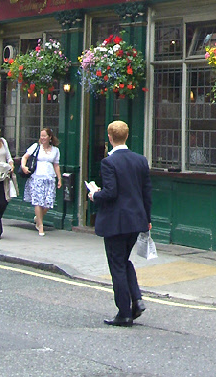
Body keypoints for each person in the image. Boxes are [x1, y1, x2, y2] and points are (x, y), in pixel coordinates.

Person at [87, 120, 152, 327]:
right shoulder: (140, 160)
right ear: (126, 136)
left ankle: (124, 313)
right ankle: (137, 300)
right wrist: (147, 219)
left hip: (116, 222)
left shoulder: (108, 162)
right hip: (136, 221)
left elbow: (111, 192)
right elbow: (146, 193)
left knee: (117, 265)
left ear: (110, 137)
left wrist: (94, 195)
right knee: (124, 261)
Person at [20, 128, 62, 237]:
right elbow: (25, 157)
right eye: (41, 136)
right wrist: (23, 166)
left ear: (50, 137)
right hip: (37, 177)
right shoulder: (36, 147)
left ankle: (38, 218)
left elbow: (56, 165)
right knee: (38, 201)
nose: (42, 138)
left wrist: (59, 178)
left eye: (44, 136)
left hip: (49, 178)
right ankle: (41, 226)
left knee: (48, 202)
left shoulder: (55, 150)